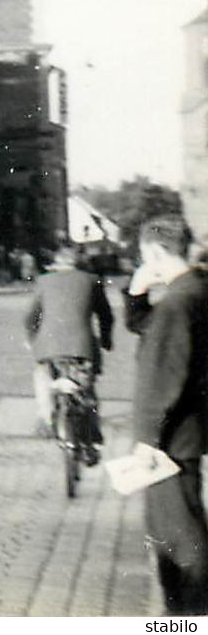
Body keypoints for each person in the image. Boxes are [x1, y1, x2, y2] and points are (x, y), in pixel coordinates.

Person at [127, 215, 208, 615]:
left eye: (144, 256)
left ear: (156, 253)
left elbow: (162, 374)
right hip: (188, 430)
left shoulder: (177, 302)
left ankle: (189, 618)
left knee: (177, 537)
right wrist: (137, 297)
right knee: (178, 526)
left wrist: (146, 440)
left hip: (170, 439)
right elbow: (152, 329)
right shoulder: (194, 290)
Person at [23, 243, 113, 456]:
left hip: (48, 348)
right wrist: (106, 341)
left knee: (43, 377)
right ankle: (93, 439)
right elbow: (106, 316)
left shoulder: (44, 281)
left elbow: (30, 317)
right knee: (87, 391)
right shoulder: (92, 281)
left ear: (57, 264)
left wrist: (32, 339)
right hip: (82, 347)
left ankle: (45, 418)